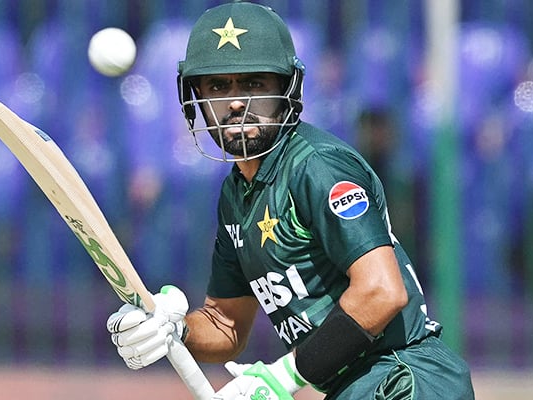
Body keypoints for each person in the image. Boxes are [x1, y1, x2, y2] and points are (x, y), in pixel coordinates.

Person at [107, 2, 475, 399]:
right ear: (193, 98)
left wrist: (283, 376)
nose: (235, 103)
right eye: (217, 86)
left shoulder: (317, 167)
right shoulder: (236, 194)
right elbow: (226, 323)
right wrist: (172, 329)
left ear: (288, 91)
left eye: (253, 84)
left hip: (403, 377)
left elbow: (382, 291)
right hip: (354, 386)